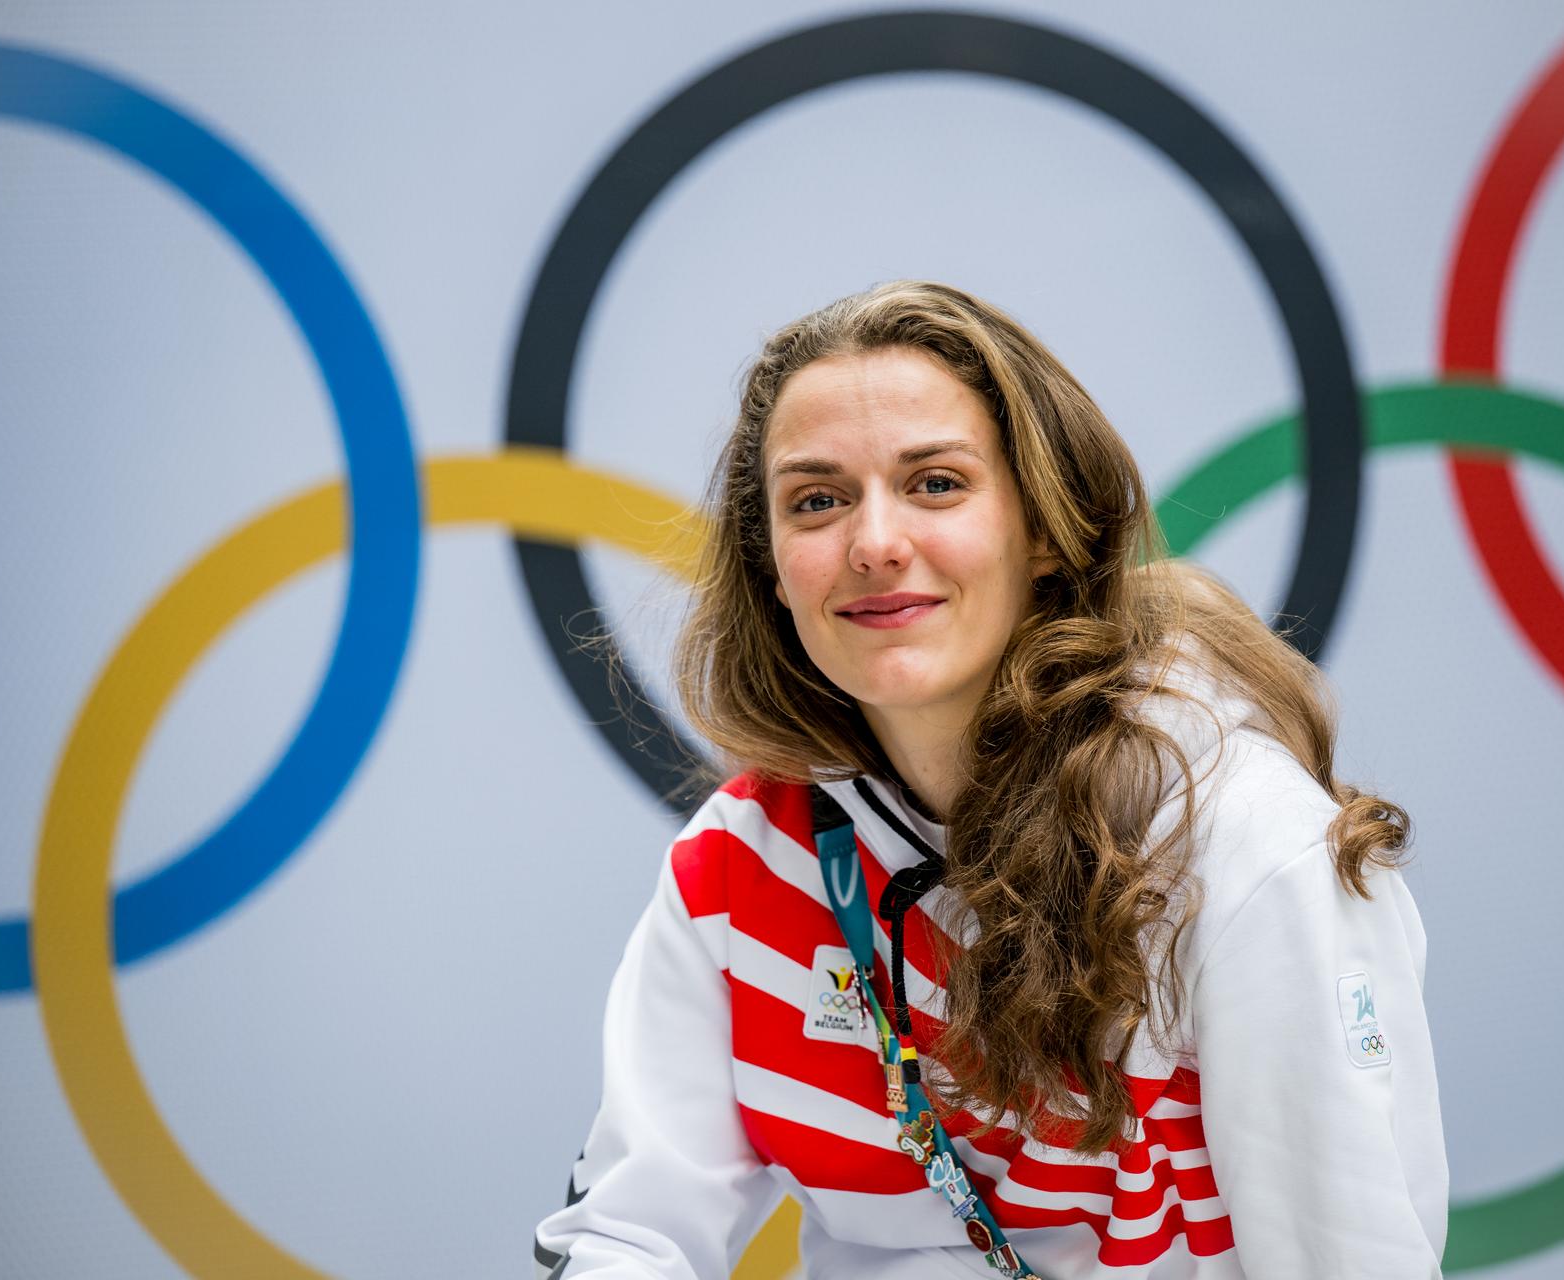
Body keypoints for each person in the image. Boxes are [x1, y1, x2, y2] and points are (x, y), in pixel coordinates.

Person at [534, 280, 1448, 1278]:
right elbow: (625, 1233)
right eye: (818, 500)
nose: (875, 543)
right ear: (769, 567)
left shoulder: (1241, 846)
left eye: (935, 483)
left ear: (1047, 531)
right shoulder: (742, 863)